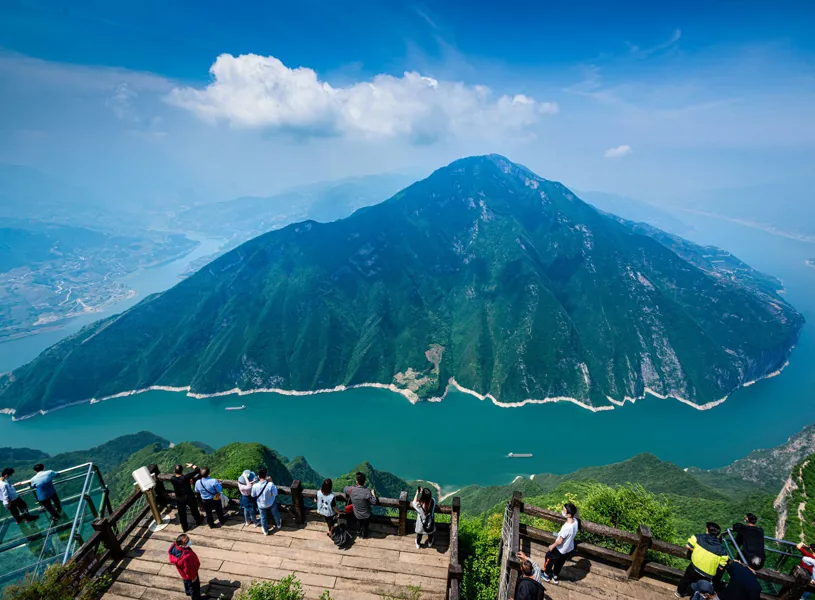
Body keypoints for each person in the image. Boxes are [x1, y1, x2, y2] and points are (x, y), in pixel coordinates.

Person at [675, 522, 729, 598]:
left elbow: (687, 545)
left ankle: (679, 592)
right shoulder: (722, 550)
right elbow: (721, 567)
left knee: (686, 579)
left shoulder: (698, 537)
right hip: (707, 574)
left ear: (707, 529)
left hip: (694, 567)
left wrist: (696, 550)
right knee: (701, 588)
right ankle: (696, 596)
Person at [542, 502, 579, 585]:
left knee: (548, 558)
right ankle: (555, 577)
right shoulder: (575, 522)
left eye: (564, 510)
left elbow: (560, 541)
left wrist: (552, 545)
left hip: (560, 549)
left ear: (569, 514)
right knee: (560, 563)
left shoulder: (567, 527)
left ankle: (546, 575)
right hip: (569, 548)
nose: (563, 511)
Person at [170, 463, 204, 532]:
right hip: (189, 496)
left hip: (179, 498)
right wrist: (192, 465)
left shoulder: (172, 479)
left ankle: (185, 527)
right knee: (194, 509)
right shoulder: (186, 477)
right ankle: (198, 520)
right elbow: (198, 470)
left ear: (174, 471)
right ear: (182, 470)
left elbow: (178, 479)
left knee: (182, 513)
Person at [168, 533, 202, 600]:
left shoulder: (175, 546)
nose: (189, 542)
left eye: (188, 539)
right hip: (191, 574)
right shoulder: (186, 557)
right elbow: (189, 569)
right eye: (186, 542)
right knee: (194, 588)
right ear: (181, 545)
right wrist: (193, 577)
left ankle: (188, 592)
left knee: (186, 582)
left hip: (183, 574)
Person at [344, 472, 377, 539]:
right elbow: (374, 502)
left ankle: (359, 532)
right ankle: (364, 534)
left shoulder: (352, 490)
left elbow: (345, 489)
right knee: (365, 525)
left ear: (357, 481)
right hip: (366, 515)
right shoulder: (367, 491)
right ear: (364, 481)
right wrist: (373, 493)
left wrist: (352, 487)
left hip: (357, 514)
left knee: (359, 523)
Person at [251, 468, 281, 535]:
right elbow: (275, 494)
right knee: (275, 513)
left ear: (258, 476)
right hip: (271, 503)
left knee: (263, 517)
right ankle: (278, 524)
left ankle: (265, 531)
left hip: (261, 505)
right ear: (266, 476)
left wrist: (253, 484)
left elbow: (253, 495)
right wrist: (271, 481)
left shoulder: (255, 486)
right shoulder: (270, 484)